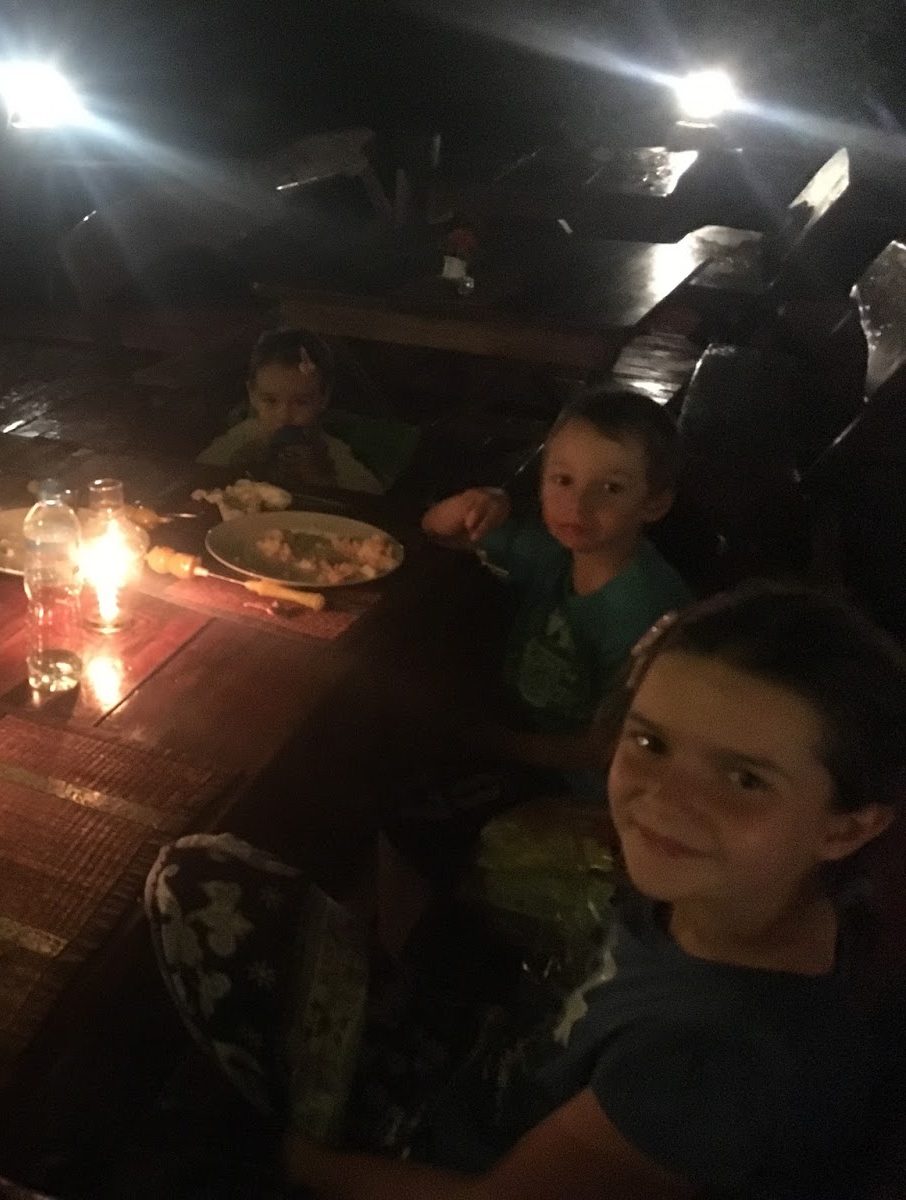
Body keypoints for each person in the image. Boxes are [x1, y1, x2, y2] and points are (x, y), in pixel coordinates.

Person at [147, 582, 906, 1199]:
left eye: (743, 779)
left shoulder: (706, 1063)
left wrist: (309, 1166)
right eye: (651, 742)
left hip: (439, 1147)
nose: (665, 800)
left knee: (196, 890)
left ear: (847, 827)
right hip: (501, 1054)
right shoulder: (761, 899)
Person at [420, 388, 694, 781]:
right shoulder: (552, 552)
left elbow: (608, 750)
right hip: (524, 751)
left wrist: (493, 742)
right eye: (563, 480)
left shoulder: (644, 610)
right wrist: (479, 500)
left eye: (611, 487)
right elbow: (437, 530)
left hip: (587, 795)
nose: (578, 505)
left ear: (654, 503)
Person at [197, 329, 387, 493]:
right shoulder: (240, 439)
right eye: (271, 400)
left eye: (301, 402)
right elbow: (198, 477)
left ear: (323, 398)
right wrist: (242, 464)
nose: (284, 416)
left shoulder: (331, 451)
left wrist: (320, 478)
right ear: (252, 395)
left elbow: (370, 496)